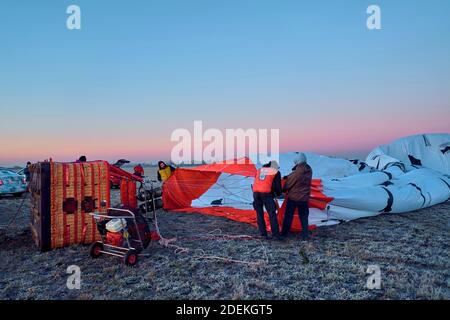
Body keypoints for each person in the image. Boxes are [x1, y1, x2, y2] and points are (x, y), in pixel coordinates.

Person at [281, 153, 312, 241]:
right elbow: (295, 176)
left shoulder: (298, 172)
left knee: (288, 216)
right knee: (304, 217)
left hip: (294, 198)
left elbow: (289, 183)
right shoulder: (309, 170)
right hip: (304, 198)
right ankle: (305, 236)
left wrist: (283, 188)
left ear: (297, 161)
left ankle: (284, 234)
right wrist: (290, 175)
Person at [252, 160, 283, 240]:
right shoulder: (275, 172)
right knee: (272, 214)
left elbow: (258, 182)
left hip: (255, 194)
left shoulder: (259, 170)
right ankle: (275, 235)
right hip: (266, 194)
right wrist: (278, 194)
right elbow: (277, 187)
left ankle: (263, 234)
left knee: (259, 214)